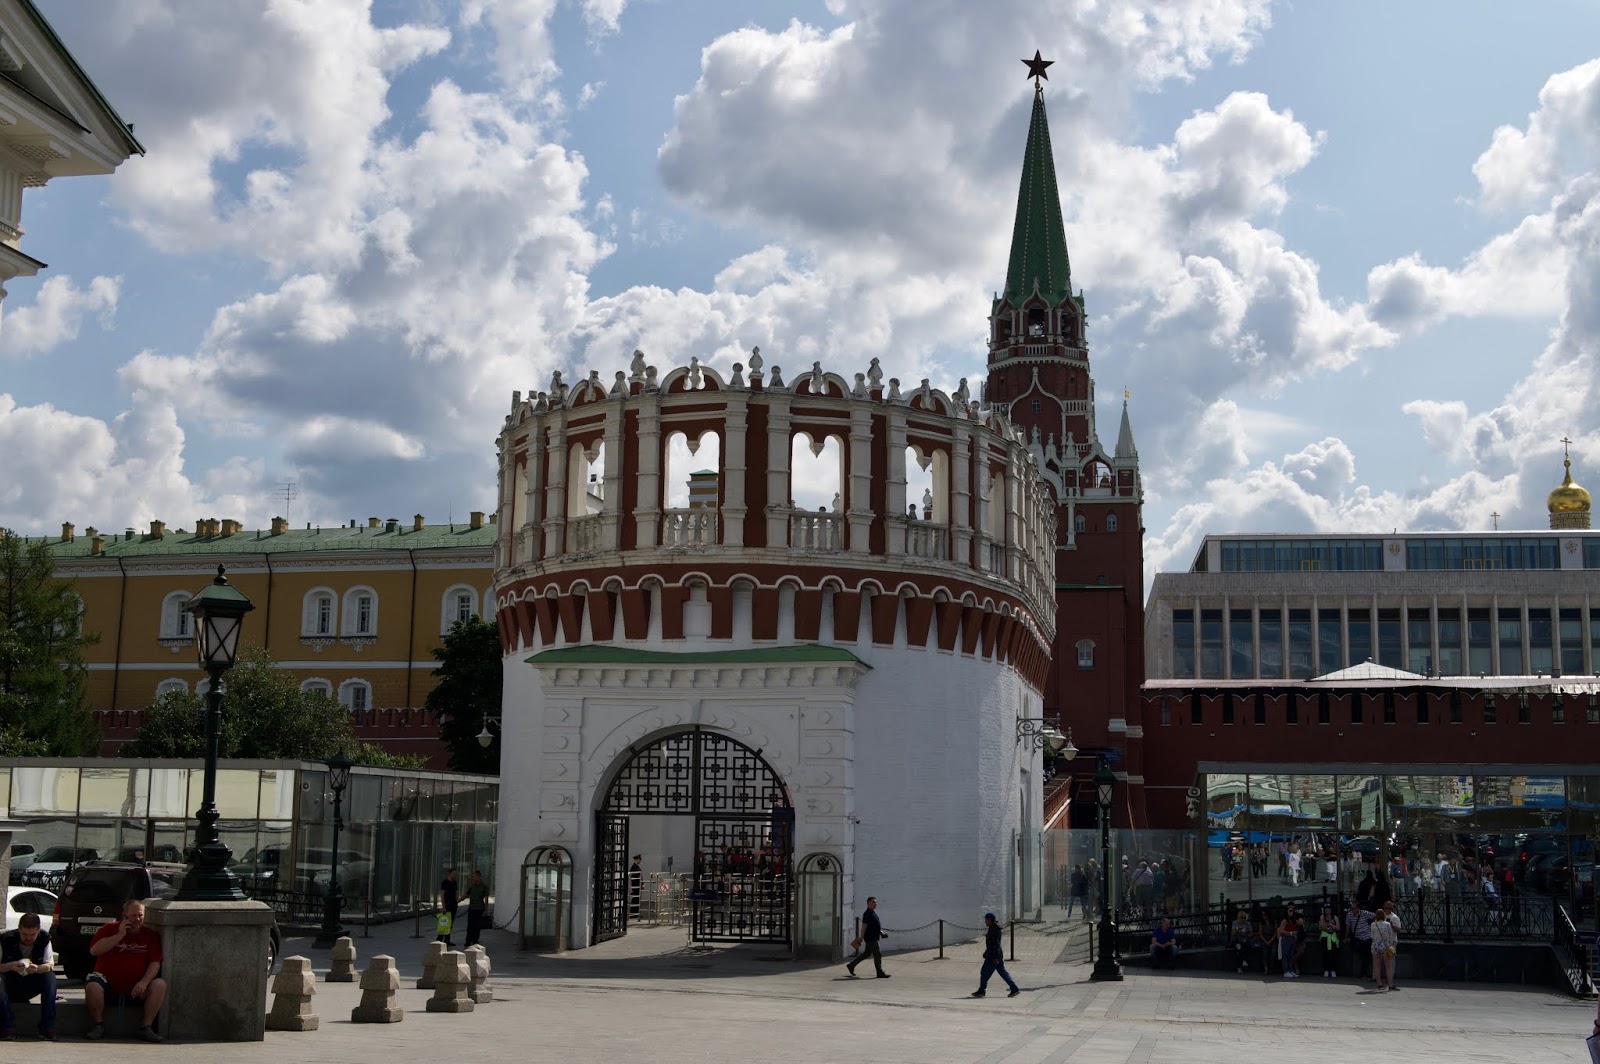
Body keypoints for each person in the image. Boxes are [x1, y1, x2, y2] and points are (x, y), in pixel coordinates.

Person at [85, 900, 165, 1042]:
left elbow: (155, 963)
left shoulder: (151, 935)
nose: (137, 919)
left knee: (159, 984)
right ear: (125, 916)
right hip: (108, 986)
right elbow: (94, 951)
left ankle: (145, 1027)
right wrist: (119, 935)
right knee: (92, 986)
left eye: (140, 915)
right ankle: (98, 1026)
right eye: (133, 916)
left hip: (137, 989)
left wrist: (144, 982)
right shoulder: (109, 929)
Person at [0, 912, 56, 1039]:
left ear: (38, 930)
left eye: (32, 935)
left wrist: (37, 969)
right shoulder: (5, 939)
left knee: (50, 977)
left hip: (32, 981)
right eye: (24, 934)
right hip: (9, 983)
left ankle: (47, 1027)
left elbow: (49, 965)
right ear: (19, 929)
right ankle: (7, 1027)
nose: (28, 938)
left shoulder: (44, 938)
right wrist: (11, 966)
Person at [972, 912, 1021, 996]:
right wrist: (986, 952)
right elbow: (992, 943)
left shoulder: (994, 929)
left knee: (984, 972)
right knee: (1002, 972)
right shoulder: (993, 928)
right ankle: (1014, 988)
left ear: (990, 920)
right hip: (995, 953)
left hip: (993, 954)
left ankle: (981, 991)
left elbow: (995, 944)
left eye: (986, 920)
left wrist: (994, 957)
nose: (985, 921)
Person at [846, 896, 889, 978]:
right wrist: (861, 937)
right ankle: (879, 972)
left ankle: (851, 965)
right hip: (871, 938)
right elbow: (864, 926)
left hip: (874, 937)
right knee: (877, 954)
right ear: (868, 903)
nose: (875, 904)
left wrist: (881, 933)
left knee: (866, 954)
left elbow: (876, 925)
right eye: (873, 902)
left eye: (876, 902)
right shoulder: (867, 914)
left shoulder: (872, 913)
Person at [1368, 899, 1401, 991]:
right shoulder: (1387, 924)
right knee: (1388, 966)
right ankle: (1390, 984)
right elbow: (1389, 935)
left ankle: (1379, 984)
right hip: (1385, 945)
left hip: (1375, 945)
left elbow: (1372, 935)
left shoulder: (1373, 924)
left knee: (1376, 966)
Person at [1345, 898, 1373, 981]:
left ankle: (1363, 973)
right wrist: (1346, 937)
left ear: (1358, 908)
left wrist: (1372, 924)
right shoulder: (1349, 915)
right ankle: (1363, 973)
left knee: (1366, 956)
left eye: (1353, 908)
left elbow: (1375, 915)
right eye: (1351, 908)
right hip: (1357, 937)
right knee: (1361, 955)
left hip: (1367, 937)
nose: (1352, 910)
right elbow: (1348, 926)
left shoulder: (1364, 913)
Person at [464, 869, 490, 947]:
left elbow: (486, 898)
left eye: (474, 876)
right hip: (472, 908)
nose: (473, 878)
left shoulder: (484, 886)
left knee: (477, 926)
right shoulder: (472, 886)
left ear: (478, 876)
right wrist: (458, 901)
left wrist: (485, 910)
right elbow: (466, 894)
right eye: (472, 876)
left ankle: (475, 940)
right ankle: (468, 941)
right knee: (470, 925)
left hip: (479, 909)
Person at [1317, 904, 1341, 978]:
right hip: (1325, 936)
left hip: (1332, 936)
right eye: (1326, 910)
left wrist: (1332, 925)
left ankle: (1333, 970)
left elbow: (1338, 928)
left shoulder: (1335, 917)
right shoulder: (1322, 917)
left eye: (1329, 910)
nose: (1328, 911)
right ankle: (1326, 970)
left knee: (1333, 954)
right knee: (1325, 954)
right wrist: (1327, 920)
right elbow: (1323, 928)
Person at [438, 867, 460, 947]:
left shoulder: (455, 883)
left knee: (450, 924)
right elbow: (442, 895)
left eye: (456, 874)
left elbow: (456, 893)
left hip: (453, 905)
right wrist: (444, 906)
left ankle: (447, 940)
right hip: (447, 905)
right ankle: (439, 939)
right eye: (454, 874)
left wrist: (457, 901)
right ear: (449, 873)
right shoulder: (445, 882)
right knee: (444, 923)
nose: (455, 875)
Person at [1276, 907, 1299, 978]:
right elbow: (1281, 930)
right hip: (1286, 939)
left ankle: (1290, 970)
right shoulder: (1284, 920)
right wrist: (1290, 933)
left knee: (1291, 955)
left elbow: (1299, 924)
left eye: (1292, 911)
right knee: (1285, 955)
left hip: (1292, 939)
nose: (1292, 912)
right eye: (1290, 911)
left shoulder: (1293, 920)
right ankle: (1286, 971)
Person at [628, 855, 643, 920]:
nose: (640, 861)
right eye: (639, 860)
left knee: (637, 899)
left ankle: (636, 913)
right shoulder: (634, 867)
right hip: (635, 885)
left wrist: (642, 884)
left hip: (637, 885)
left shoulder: (636, 867)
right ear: (637, 860)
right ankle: (633, 914)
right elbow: (635, 876)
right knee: (635, 899)